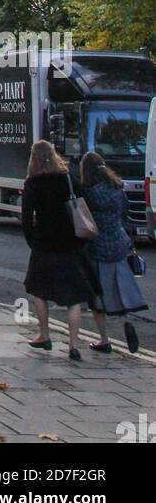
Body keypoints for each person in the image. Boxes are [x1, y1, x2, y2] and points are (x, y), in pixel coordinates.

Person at [21, 139, 92, 361]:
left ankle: (44, 335)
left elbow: (26, 218)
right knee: (74, 298)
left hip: (44, 244)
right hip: (70, 244)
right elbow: (83, 204)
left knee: (38, 290)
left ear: (33, 158)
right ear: (54, 155)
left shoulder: (33, 183)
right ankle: (73, 345)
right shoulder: (68, 178)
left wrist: (32, 240)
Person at [80, 150, 148, 354]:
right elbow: (125, 213)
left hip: (97, 246)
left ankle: (104, 340)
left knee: (98, 296)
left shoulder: (88, 192)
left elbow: (84, 218)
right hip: (119, 244)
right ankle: (127, 322)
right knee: (121, 289)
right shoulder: (117, 187)